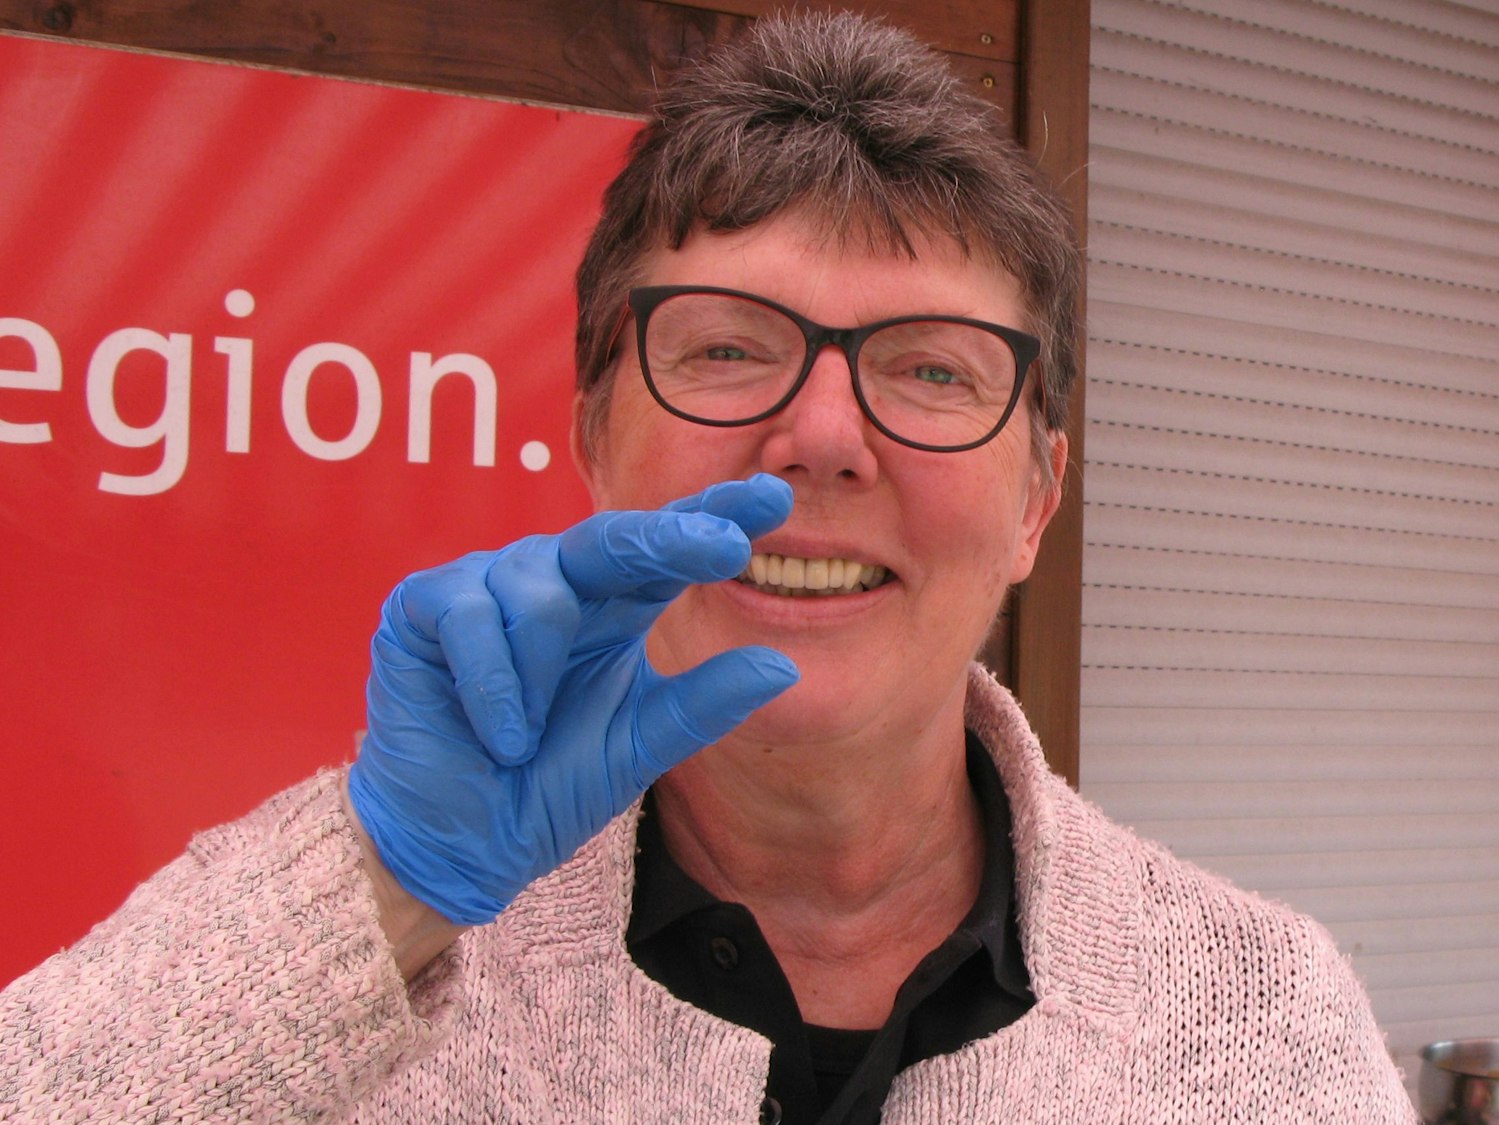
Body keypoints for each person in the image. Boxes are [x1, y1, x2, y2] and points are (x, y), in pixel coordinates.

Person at [0, 12, 1416, 1122]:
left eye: (928, 370)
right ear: (593, 442)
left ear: (1036, 498)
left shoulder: (1266, 1018)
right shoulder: (373, 945)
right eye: (730, 345)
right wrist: (385, 889)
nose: (821, 436)